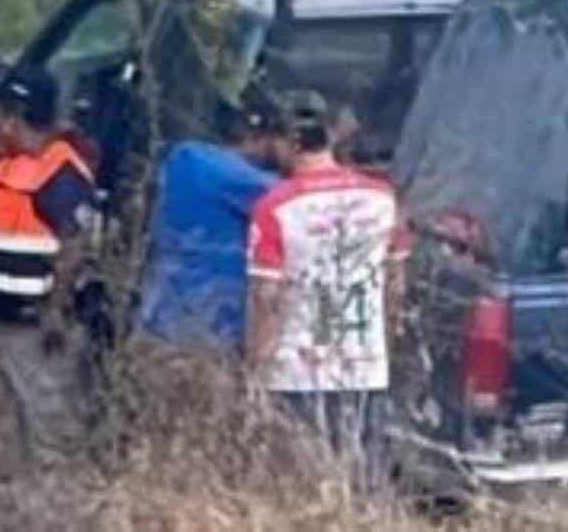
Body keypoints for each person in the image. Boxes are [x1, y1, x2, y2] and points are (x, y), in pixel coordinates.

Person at [245, 90, 409, 490]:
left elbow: (267, 301)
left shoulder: (275, 207)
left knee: (299, 490)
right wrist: (385, 347)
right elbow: (396, 287)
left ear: (293, 143)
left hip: (296, 374)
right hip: (366, 369)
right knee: (363, 487)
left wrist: (254, 372)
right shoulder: (383, 198)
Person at [0, 65, 98, 463]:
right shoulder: (8, 163)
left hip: (36, 328)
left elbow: (76, 246)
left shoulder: (61, 170)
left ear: (19, 115)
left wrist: (55, 310)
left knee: (49, 430)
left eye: (3, 113)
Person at [138, 96, 279, 352]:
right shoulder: (220, 170)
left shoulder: (183, 158)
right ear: (261, 137)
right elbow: (291, 198)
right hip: (209, 325)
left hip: (163, 317)